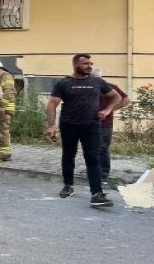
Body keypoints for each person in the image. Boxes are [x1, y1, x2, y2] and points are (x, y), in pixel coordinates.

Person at [46, 54, 120, 207]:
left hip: (91, 125)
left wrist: (107, 110)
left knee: (92, 158)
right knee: (68, 155)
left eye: (91, 63)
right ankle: (68, 186)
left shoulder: (97, 81)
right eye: (85, 63)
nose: (89, 66)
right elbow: (52, 104)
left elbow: (116, 97)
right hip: (69, 124)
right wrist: (51, 126)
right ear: (75, 64)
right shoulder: (64, 82)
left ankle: (97, 194)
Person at [91, 67, 130, 183]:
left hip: (105, 124)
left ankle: (103, 174)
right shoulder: (86, 87)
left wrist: (111, 109)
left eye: (94, 77)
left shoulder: (110, 87)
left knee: (102, 149)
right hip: (89, 123)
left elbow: (126, 99)